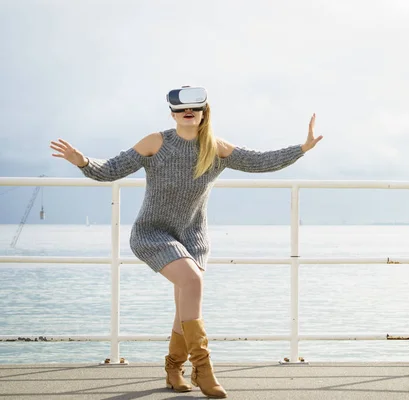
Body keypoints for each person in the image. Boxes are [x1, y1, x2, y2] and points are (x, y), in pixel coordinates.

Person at [49, 86, 322, 398]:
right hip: (152, 234)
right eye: (180, 110)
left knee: (185, 304)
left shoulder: (215, 148)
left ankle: (174, 368)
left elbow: (260, 162)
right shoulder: (156, 142)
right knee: (192, 281)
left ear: (205, 112)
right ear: (172, 114)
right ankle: (203, 369)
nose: (187, 113)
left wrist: (302, 148)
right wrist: (82, 160)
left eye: (194, 108)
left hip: (193, 239)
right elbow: (112, 169)